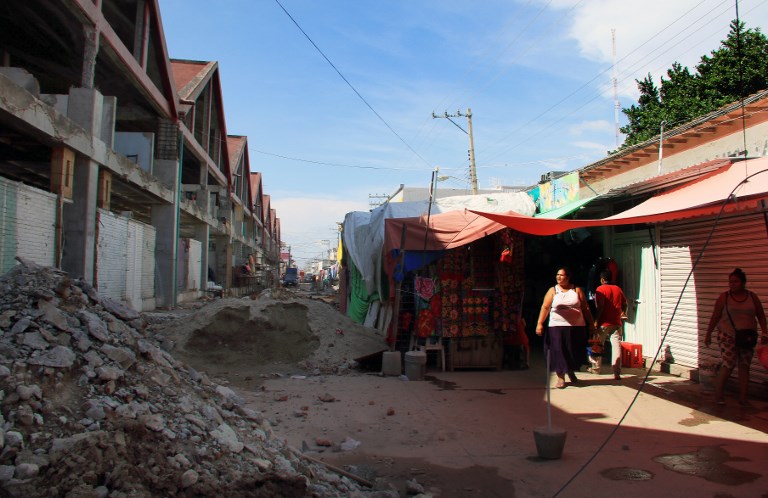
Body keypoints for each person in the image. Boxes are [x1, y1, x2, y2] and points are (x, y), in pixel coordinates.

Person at [704, 268, 768, 406]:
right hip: (727, 336)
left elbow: (761, 315)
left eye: (735, 281)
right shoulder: (724, 297)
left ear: (743, 283)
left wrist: (764, 333)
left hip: (747, 338)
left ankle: (743, 399)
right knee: (728, 364)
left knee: (744, 365)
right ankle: (718, 395)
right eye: (730, 282)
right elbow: (715, 316)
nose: (732, 284)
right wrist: (708, 334)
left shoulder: (752, 297)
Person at [536, 267, 595, 388]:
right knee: (558, 351)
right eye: (557, 275)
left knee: (573, 351)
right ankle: (560, 377)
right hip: (556, 326)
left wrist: (591, 323)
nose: (558, 277)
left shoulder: (576, 290)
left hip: (576, 327)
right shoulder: (553, 290)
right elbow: (545, 307)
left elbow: (585, 308)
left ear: (568, 278)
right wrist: (540, 323)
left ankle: (570, 371)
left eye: (561, 275)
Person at [592, 270, 628, 380]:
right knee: (616, 346)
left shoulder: (600, 289)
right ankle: (617, 372)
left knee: (598, 344)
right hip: (616, 322)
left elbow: (601, 306)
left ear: (602, 279)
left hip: (604, 322)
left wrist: (596, 320)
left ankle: (596, 368)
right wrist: (623, 313)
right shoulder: (618, 289)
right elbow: (625, 303)